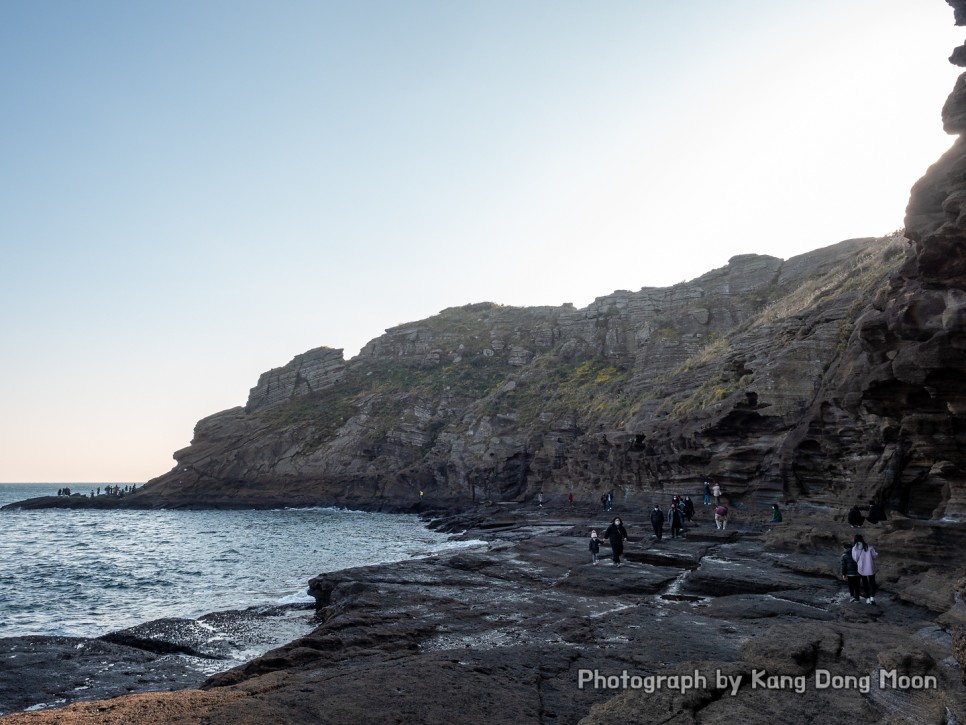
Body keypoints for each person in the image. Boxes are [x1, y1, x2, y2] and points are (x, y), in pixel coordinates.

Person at [852, 534, 879, 604]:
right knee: (872, 582)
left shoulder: (855, 548)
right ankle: (872, 597)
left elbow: (855, 559)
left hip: (861, 568)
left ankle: (867, 598)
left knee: (865, 583)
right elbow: (874, 556)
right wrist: (876, 553)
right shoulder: (869, 547)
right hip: (870, 568)